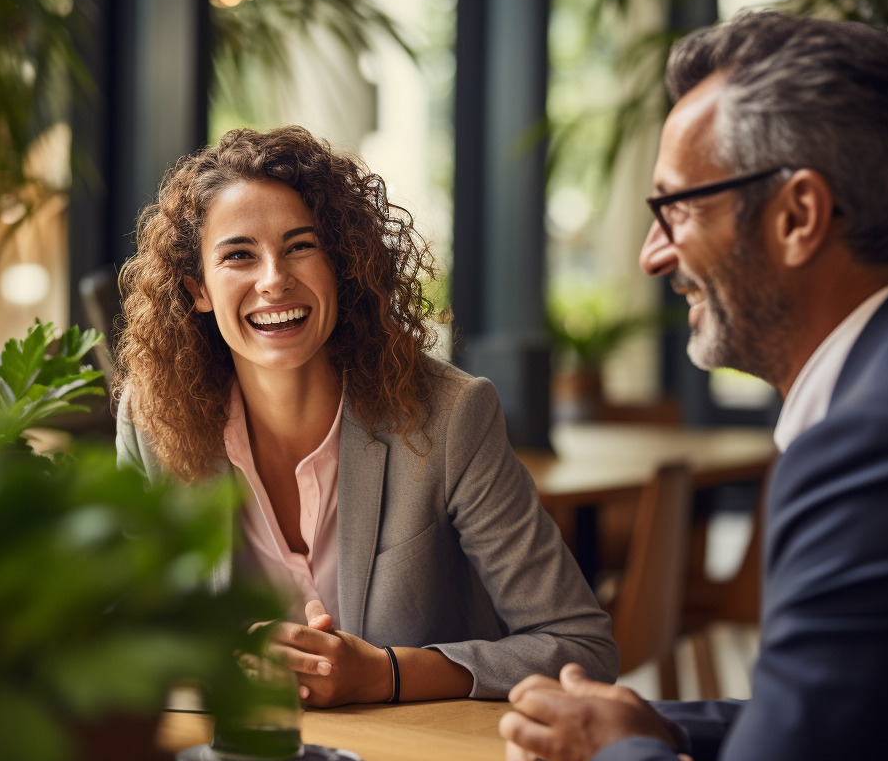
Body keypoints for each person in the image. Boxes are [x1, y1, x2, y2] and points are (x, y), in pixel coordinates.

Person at [499, 10, 888, 761]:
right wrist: (657, 724)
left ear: (798, 216)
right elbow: (874, 712)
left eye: (673, 206)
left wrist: (604, 759)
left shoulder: (884, 447)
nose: (651, 254)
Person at [114, 125, 618, 708]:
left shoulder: (451, 416)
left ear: (343, 265)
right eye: (239, 256)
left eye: (301, 246)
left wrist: (385, 673)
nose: (274, 279)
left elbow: (581, 646)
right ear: (196, 288)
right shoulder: (153, 421)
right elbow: (131, 635)